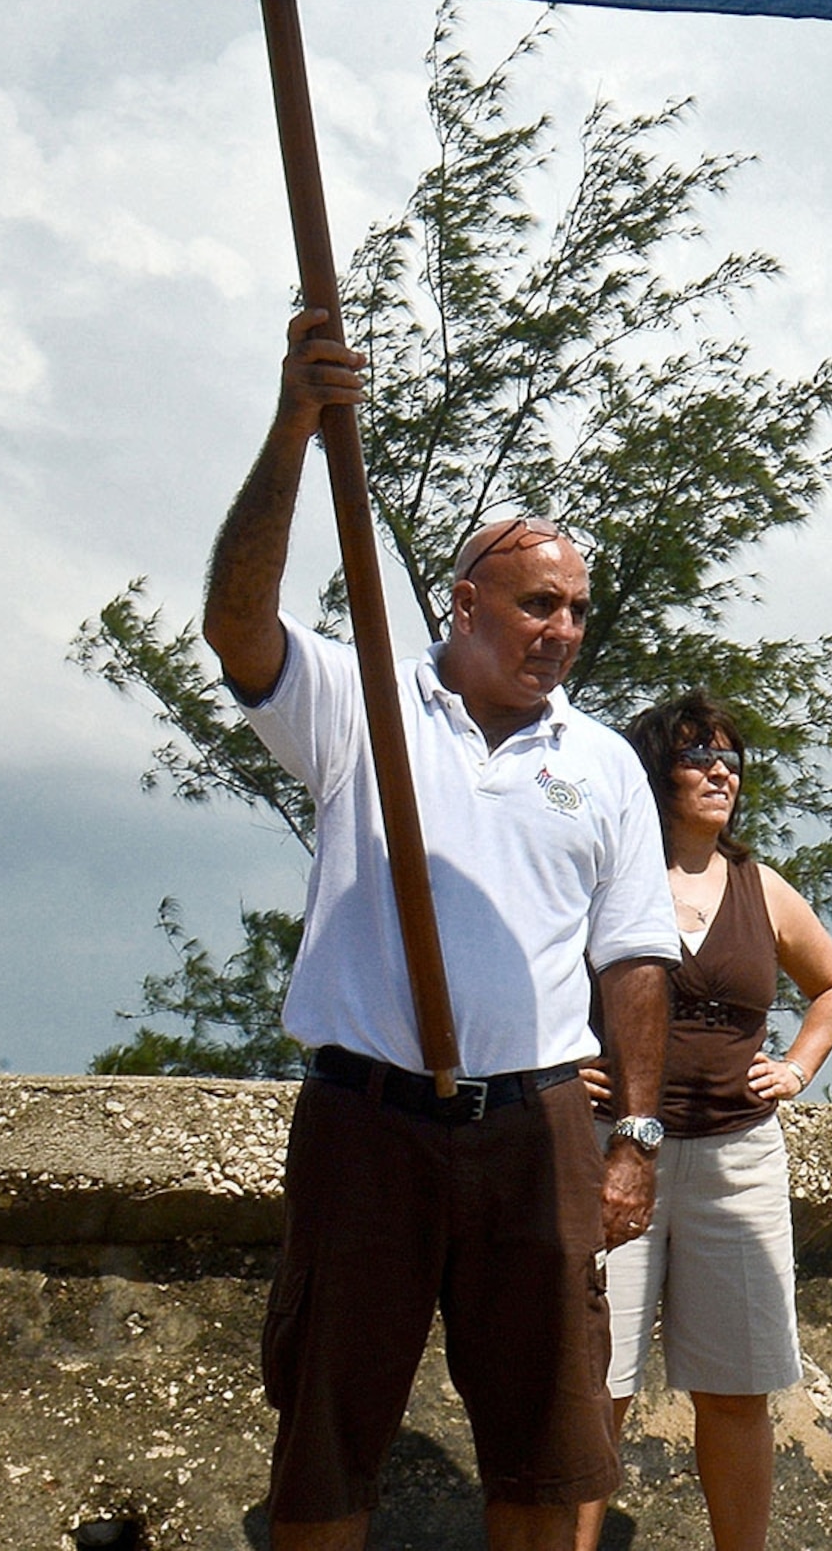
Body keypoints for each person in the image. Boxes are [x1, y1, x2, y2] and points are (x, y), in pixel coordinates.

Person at [202, 310, 680, 1551]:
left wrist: (632, 1133)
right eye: (537, 603)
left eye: (577, 607)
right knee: (326, 1442)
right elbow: (235, 624)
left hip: (538, 1130)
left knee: (549, 1449)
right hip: (369, 1121)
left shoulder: (607, 761)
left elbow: (633, 955)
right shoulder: (360, 699)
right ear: (463, 603)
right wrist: (297, 428)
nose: (563, 630)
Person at [572, 690, 832, 1551]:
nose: (719, 772)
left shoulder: (760, 886)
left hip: (738, 1159)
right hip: (612, 1152)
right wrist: (554, 1068)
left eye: (731, 759)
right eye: (698, 755)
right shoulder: (605, 874)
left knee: (737, 1390)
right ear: (653, 772)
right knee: (599, 1384)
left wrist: (798, 1066)